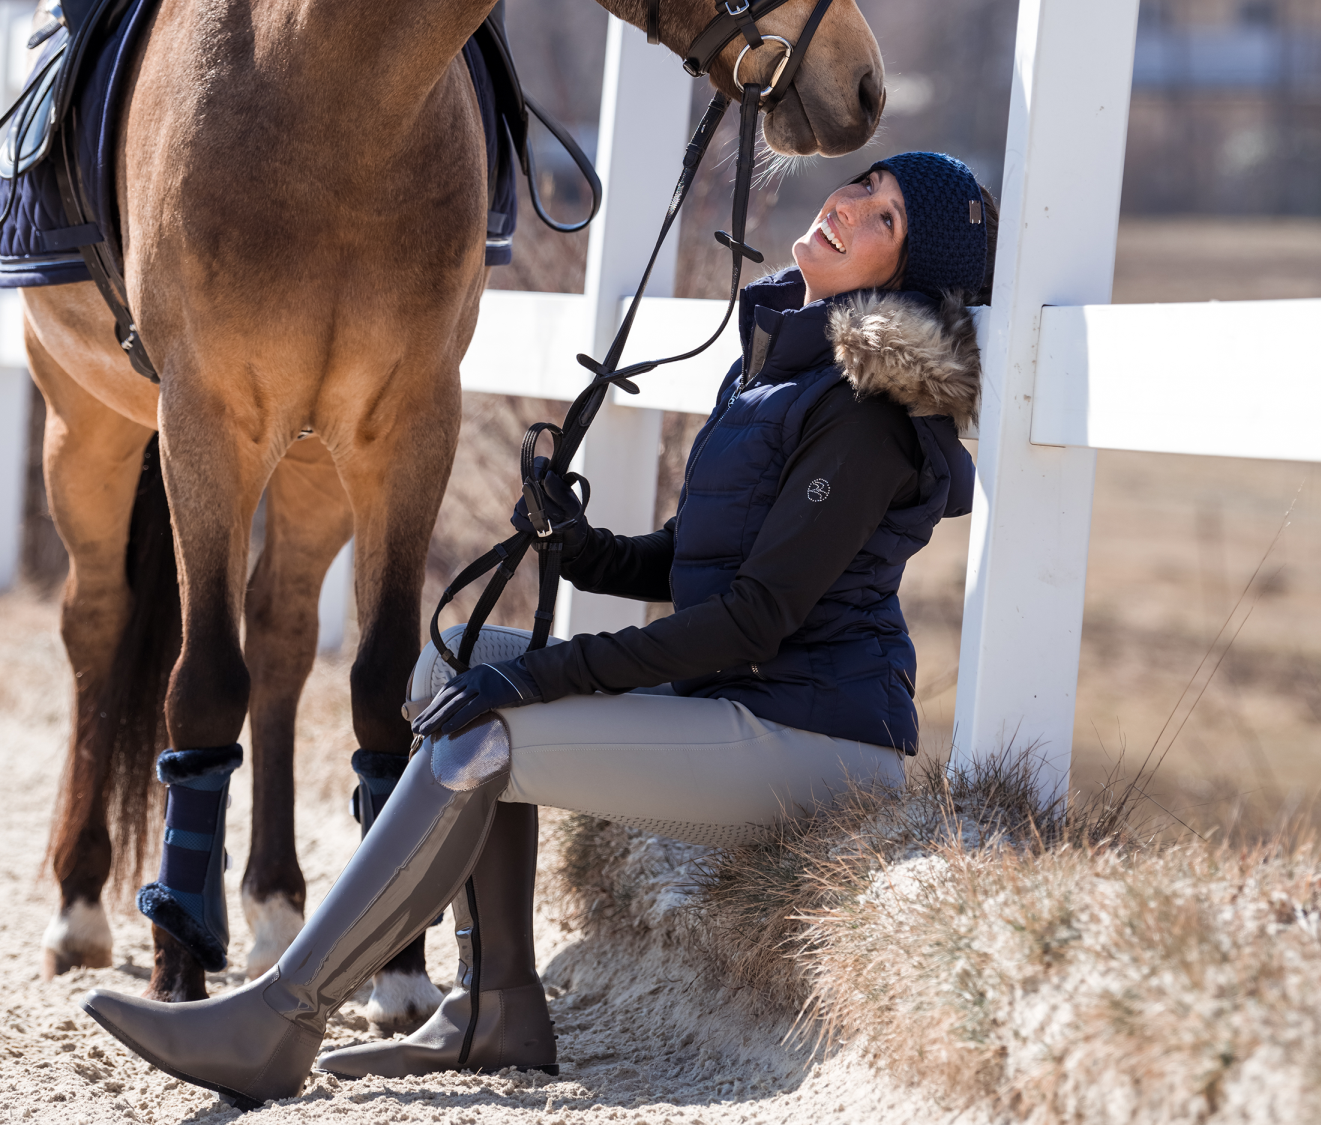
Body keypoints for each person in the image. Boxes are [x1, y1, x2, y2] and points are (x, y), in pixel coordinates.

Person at [81, 151, 993, 1107]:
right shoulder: (781, 365)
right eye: (866, 184)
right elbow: (695, 560)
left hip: (815, 743)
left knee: (484, 731)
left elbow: (752, 620)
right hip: (738, 704)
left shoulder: (868, 417)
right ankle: (496, 1004)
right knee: (455, 666)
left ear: (906, 283)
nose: (851, 204)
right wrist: (577, 543)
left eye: (886, 219)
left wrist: (545, 677)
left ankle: (280, 1015)